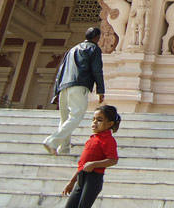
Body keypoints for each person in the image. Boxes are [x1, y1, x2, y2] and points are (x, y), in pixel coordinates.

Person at [43, 27, 105, 156]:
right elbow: (97, 70)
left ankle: (63, 149)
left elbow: (61, 71)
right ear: (97, 38)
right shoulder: (93, 49)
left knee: (64, 119)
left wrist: (56, 91)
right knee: (77, 115)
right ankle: (52, 141)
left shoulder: (72, 49)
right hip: (79, 84)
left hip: (64, 86)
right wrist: (100, 89)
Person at [62, 104, 120, 208]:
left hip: (93, 179)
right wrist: (71, 182)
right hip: (81, 178)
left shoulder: (108, 140)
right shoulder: (92, 139)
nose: (94, 122)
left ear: (109, 124)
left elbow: (113, 160)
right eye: (93, 119)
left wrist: (94, 164)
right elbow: (82, 165)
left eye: (99, 120)